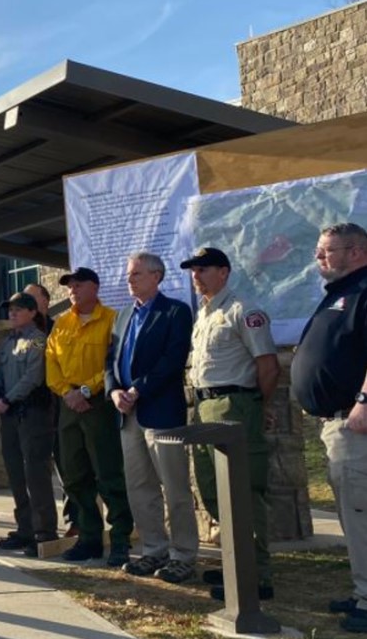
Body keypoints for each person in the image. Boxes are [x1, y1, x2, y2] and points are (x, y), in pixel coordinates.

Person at [181, 247, 278, 601]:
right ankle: (235, 565)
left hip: (234, 405)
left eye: (203, 269)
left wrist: (256, 405)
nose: (196, 276)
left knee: (242, 491)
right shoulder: (204, 313)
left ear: (223, 272)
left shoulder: (243, 310)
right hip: (204, 405)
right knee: (212, 488)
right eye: (193, 270)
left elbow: (268, 366)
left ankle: (257, 575)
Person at [290, 223, 367, 633]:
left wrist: (364, 402)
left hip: (357, 424)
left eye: (327, 250)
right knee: (351, 513)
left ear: (356, 252)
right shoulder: (340, 292)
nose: (318, 257)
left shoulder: (363, 290)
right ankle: (362, 590)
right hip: (337, 425)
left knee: (362, 511)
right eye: (318, 250)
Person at [106, 252, 197, 584]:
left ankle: (183, 555)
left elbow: (173, 359)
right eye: (129, 274)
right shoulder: (123, 315)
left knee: (174, 488)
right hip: (128, 414)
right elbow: (110, 360)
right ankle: (153, 549)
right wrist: (114, 391)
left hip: (160, 412)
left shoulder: (175, 311)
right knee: (139, 487)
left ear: (156, 276)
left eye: (136, 274)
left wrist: (138, 389)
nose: (129, 280)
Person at [45, 267, 133, 565]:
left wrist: (85, 391)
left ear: (94, 287)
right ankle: (89, 538)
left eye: (78, 285)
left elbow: (114, 362)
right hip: (69, 406)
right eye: (69, 286)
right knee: (74, 475)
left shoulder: (111, 319)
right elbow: (51, 362)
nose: (72, 290)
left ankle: (120, 539)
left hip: (98, 404)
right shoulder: (62, 323)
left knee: (108, 474)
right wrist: (67, 392)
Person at [0, 292, 57, 557]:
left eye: (18, 309)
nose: (13, 313)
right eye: (10, 310)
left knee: (35, 473)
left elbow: (33, 377)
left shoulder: (38, 340)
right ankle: (25, 528)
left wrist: (8, 399)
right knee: (15, 472)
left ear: (32, 312)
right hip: (9, 415)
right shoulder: (8, 342)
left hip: (31, 414)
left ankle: (44, 531)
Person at [25, 281, 79, 538]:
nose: (28, 305)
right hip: (34, 412)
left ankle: (75, 521)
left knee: (69, 467)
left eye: (33, 299)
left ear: (46, 302)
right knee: (36, 471)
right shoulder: (20, 335)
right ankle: (39, 526)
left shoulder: (61, 329)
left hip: (59, 406)